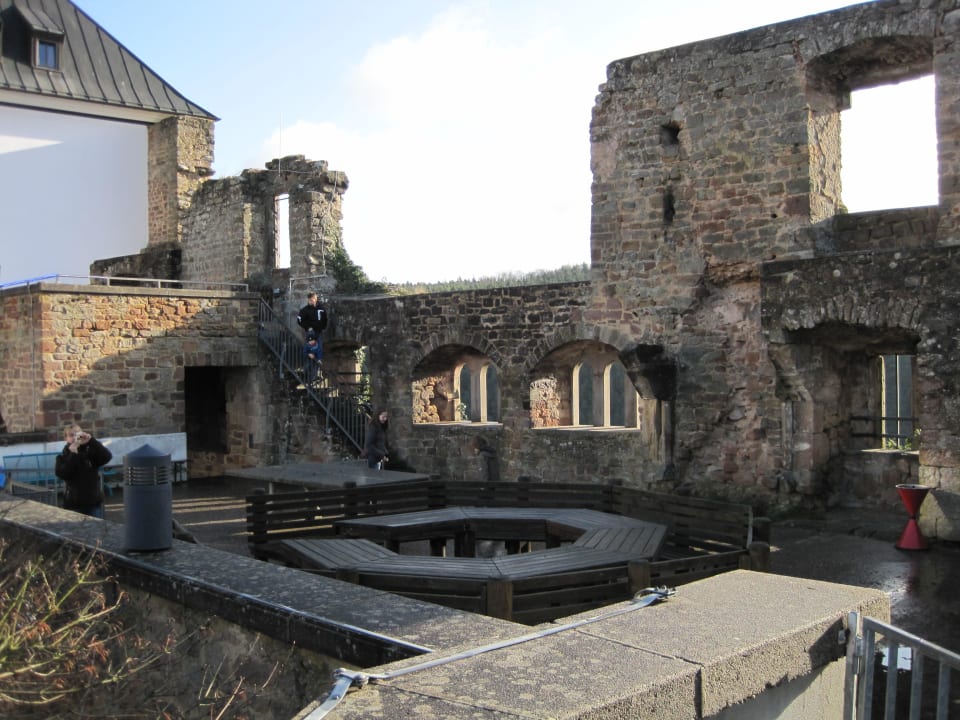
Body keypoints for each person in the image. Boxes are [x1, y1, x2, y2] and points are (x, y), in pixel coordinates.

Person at [54, 423, 112, 518]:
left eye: (78, 434)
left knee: (96, 530)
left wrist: (91, 441)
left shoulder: (90, 453)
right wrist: (73, 454)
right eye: (71, 435)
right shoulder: (62, 457)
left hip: (93, 502)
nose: (75, 438)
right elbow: (63, 473)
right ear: (66, 438)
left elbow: (106, 457)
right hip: (74, 503)